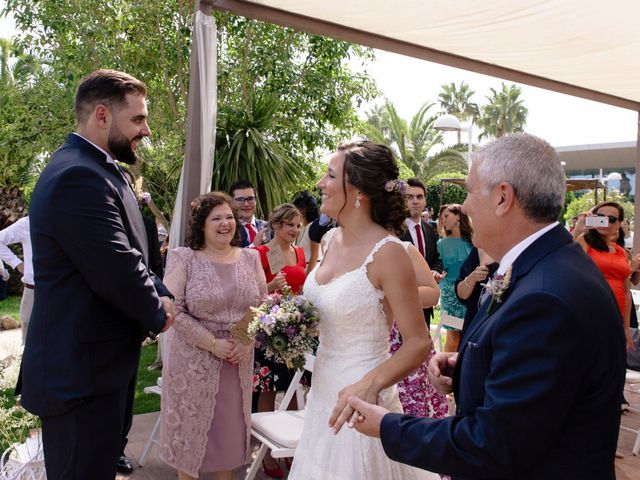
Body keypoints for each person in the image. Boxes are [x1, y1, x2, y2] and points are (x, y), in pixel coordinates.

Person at [349, 133, 626, 479]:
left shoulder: (545, 299)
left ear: (503, 197)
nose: (463, 206)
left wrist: (388, 426)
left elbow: (492, 444)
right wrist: (468, 366)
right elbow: (536, 377)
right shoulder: (551, 264)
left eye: (469, 190)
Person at [18, 69, 175, 479]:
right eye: (138, 119)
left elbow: (135, 252)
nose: (147, 130)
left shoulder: (103, 171)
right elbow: (116, 266)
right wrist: (158, 310)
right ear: (102, 115)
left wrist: (162, 290)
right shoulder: (77, 176)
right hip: (79, 380)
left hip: (101, 370)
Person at [288, 140, 438, 480]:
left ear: (357, 191)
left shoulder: (388, 253)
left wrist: (369, 385)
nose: (320, 184)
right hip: (323, 394)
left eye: (329, 175)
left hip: (362, 403)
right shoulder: (328, 241)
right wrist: (289, 324)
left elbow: (417, 342)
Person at [160, 192, 266, 480]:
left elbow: (263, 303)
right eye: (216, 218)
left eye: (229, 217)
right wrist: (212, 343)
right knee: (190, 435)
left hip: (237, 360)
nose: (225, 223)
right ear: (202, 225)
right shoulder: (185, 258)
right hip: (193, 360)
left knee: (229, 437)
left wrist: (246, 339)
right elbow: (173, 310)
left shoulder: (251, 257)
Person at [253, 203, 307, 478]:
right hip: (268, 327)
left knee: (295, 386)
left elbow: (301, 285)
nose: (295, 231)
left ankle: (296, 449)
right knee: (268, 388)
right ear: (275, 225)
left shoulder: (298, 252)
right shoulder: (263, 252)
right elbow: (249, 291)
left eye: (297, 226)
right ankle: (265, 456)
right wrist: (269, 288)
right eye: (289, 225)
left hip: (294, 327)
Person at [388, 241, 447, 419]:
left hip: (400, 339)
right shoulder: (335, 241)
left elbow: (433, 294)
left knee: (407, 412)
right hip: (358, 347)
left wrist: (388, 294)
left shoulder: (401, 247)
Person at [572, 202, 633, 350]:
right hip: (590, 315)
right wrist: (578, 229)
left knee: (613, 365)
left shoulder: (621, 252)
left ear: (618, 224)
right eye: (600, 217)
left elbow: (626, 291)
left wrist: (626, 327)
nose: (604, 221)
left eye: (611, 219)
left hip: (616, 317)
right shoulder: (584, 241)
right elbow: (563, 256)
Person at [401, 178, 444, 329]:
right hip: (400, 304)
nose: (415, 201)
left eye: (419, 197)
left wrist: (434, 271)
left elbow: (437, 258)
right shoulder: (392, 231)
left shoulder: (429, 229)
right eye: (409, 197)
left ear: (425, 200)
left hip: (426, 306)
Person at [436, 204, 473, 352]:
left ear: (458, 216)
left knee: (470, 334)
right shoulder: (441, 244)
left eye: (446, 216)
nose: (443, 220)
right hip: (450, 294)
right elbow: (437, 267)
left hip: (470, 292)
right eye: (441, 217)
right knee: (453, 336)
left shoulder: (473, 241)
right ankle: (447, 370)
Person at [0, 216, 34, 344]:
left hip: (63, 289)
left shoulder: (69, 218)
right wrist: (17, 264)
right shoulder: (27, 223)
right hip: (33, 289)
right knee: (29, 338)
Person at [455, 246, 498, 333]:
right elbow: (462, 294)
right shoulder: (478, 249)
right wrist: (472, 277)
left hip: (498, 325)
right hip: (474, 322)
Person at [229, 180, 270, 247]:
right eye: (240, 199)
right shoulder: (228, 229)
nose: (246, 204)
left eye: (250, 198)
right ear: (231, 202)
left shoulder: (268, 227)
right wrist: (254, 246)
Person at [292, 191, 321, 274]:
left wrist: (306, 278)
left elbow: (315, 256)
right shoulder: (302, 228)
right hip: (302, 270)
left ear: (303, 210)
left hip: (312, 272)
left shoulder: (313, 227)